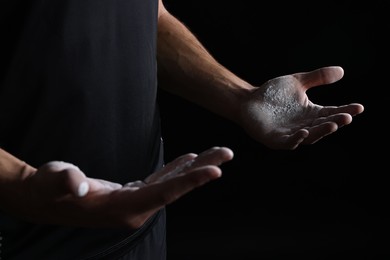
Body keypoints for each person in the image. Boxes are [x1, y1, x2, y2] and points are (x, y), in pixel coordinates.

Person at [0, 0, 364, 259]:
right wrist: (22, 185)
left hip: (139, 220)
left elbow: (147, 15)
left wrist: (239, 97)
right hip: (28, 237)